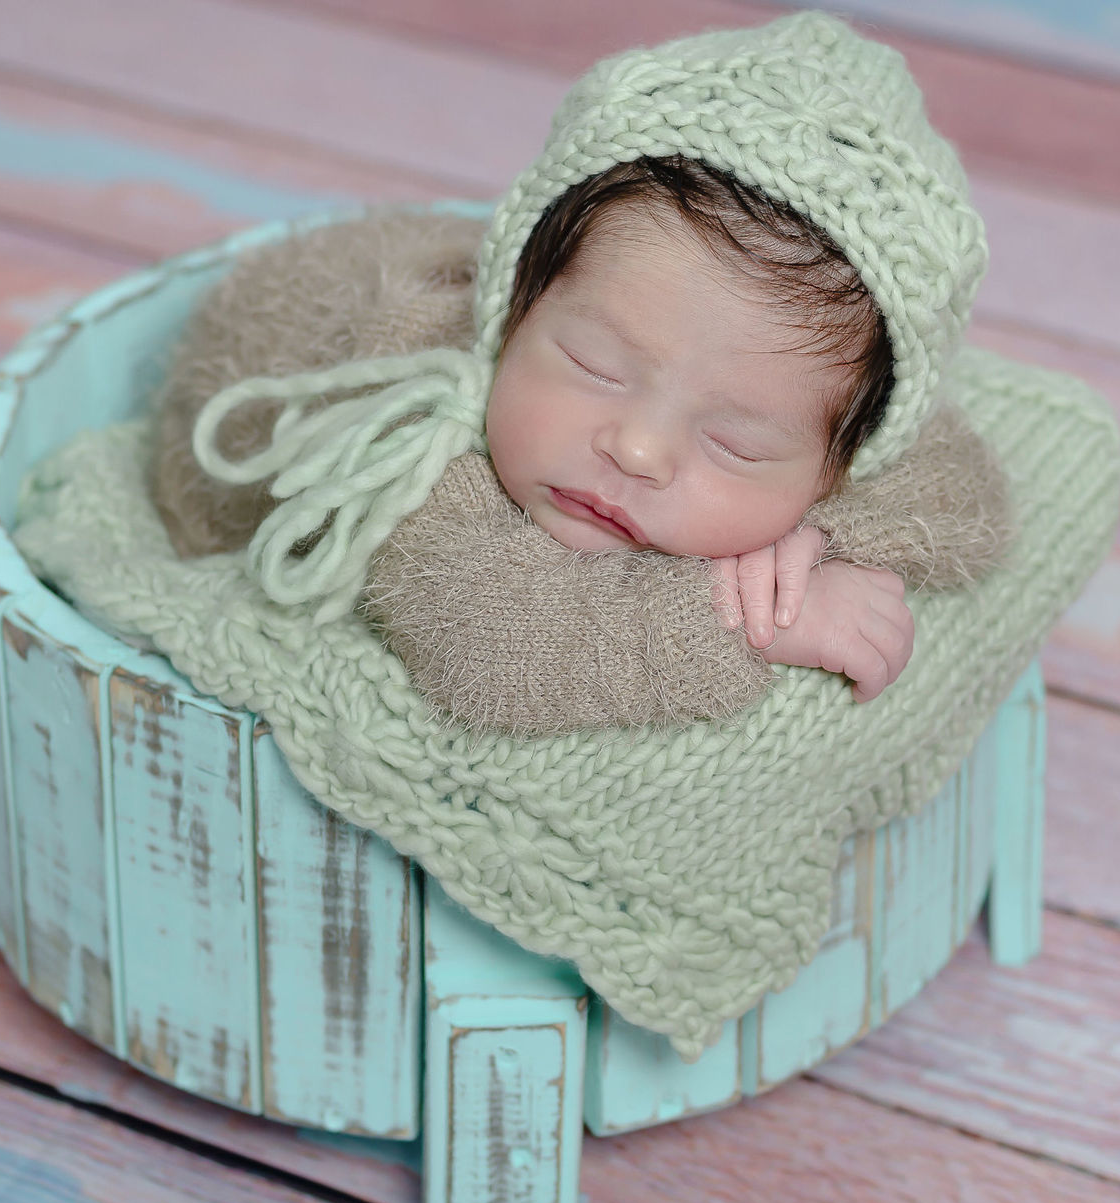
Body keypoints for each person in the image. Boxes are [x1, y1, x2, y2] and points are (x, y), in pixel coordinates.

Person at [147, 14, 1010, 735]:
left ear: (841, 466)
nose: (636, 449)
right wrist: (763, 621)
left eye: (735, 443)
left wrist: (820, 534)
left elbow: (966, 500)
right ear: (513, 309)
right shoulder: (425, 449)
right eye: (595, 366)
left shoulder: (823, 416)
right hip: (240, 406)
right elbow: (492, 652)